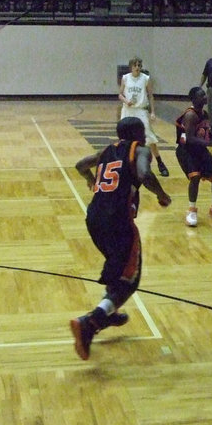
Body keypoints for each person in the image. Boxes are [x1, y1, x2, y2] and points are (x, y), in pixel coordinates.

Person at [70, 117, 172, 360]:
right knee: (129, 281)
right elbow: (145, 175)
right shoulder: (141, 150)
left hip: (94, 219)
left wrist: (91, 181)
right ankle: (92, 321)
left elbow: (80, 165)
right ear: (137, 134)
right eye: (143, 132)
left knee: (118, 268)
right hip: (118, 221)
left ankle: (109, 311)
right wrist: (162, 195)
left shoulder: (107, 150)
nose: (146, 136)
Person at [175, 87, 212, 226]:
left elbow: (205, 133)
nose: (205, 97)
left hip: (200, 150)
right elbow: (189, 139)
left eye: (204, 95)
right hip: (186, 150)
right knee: (195, 177)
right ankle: (192, 210)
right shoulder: (190, 115)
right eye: (201, 95)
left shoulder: (204, 114)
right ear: (193, 99)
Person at [118, 56, 169, 176]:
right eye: (135, 65)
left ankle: (160, 163)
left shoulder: (145, 78)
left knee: (149, 137)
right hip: (128, 110)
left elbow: (151, 96)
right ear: (131, 67)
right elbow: (120, 94)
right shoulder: (125, 78)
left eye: (139, 66)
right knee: (124, 139)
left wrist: (152, 112)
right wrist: (126, 101)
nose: (137, 68)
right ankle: (123, 164)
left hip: (141, 110)